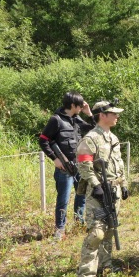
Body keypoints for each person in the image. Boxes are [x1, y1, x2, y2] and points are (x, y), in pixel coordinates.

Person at [76, 100, 128, 277]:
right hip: (97, 193)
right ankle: (86, 275)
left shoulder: (113, 138)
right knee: (97, 233)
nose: (117, 116)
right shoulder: (90, 138)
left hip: (113, 191)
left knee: (110, 229)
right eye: (113, 113)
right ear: (102, 115)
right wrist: (96, 185)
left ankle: (106, 266)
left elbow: (119, 163)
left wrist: (124, 184)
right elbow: (84, 165)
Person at [38, 91, 94, 241]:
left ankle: (79, 223)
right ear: (73, 105)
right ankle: (60, 229)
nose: (83, 106)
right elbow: (43, 140)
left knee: (81, 196)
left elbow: (93, 129)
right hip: (64, 168)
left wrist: (89, 114)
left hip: (79, 165)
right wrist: (55, 159)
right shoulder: (56, 120)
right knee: (63, 200)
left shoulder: (76, 118)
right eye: (81, 104)